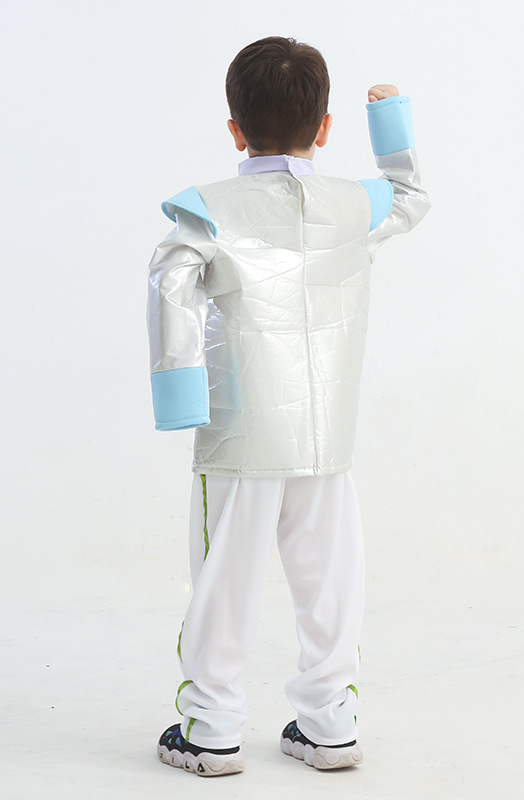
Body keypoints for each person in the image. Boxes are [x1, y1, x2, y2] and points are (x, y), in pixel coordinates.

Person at [147, 36, 430, 777]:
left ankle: (211, 728)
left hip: (240, 431)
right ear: (325, 128)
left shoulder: (209, 210)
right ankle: (330, 723)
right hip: (326, 431)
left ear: (235, 128)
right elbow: (410, 198)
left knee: (224, 576)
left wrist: (179, 394)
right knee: (330, 576)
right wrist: (390, 121)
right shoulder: (352, 206)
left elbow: (170, 278)